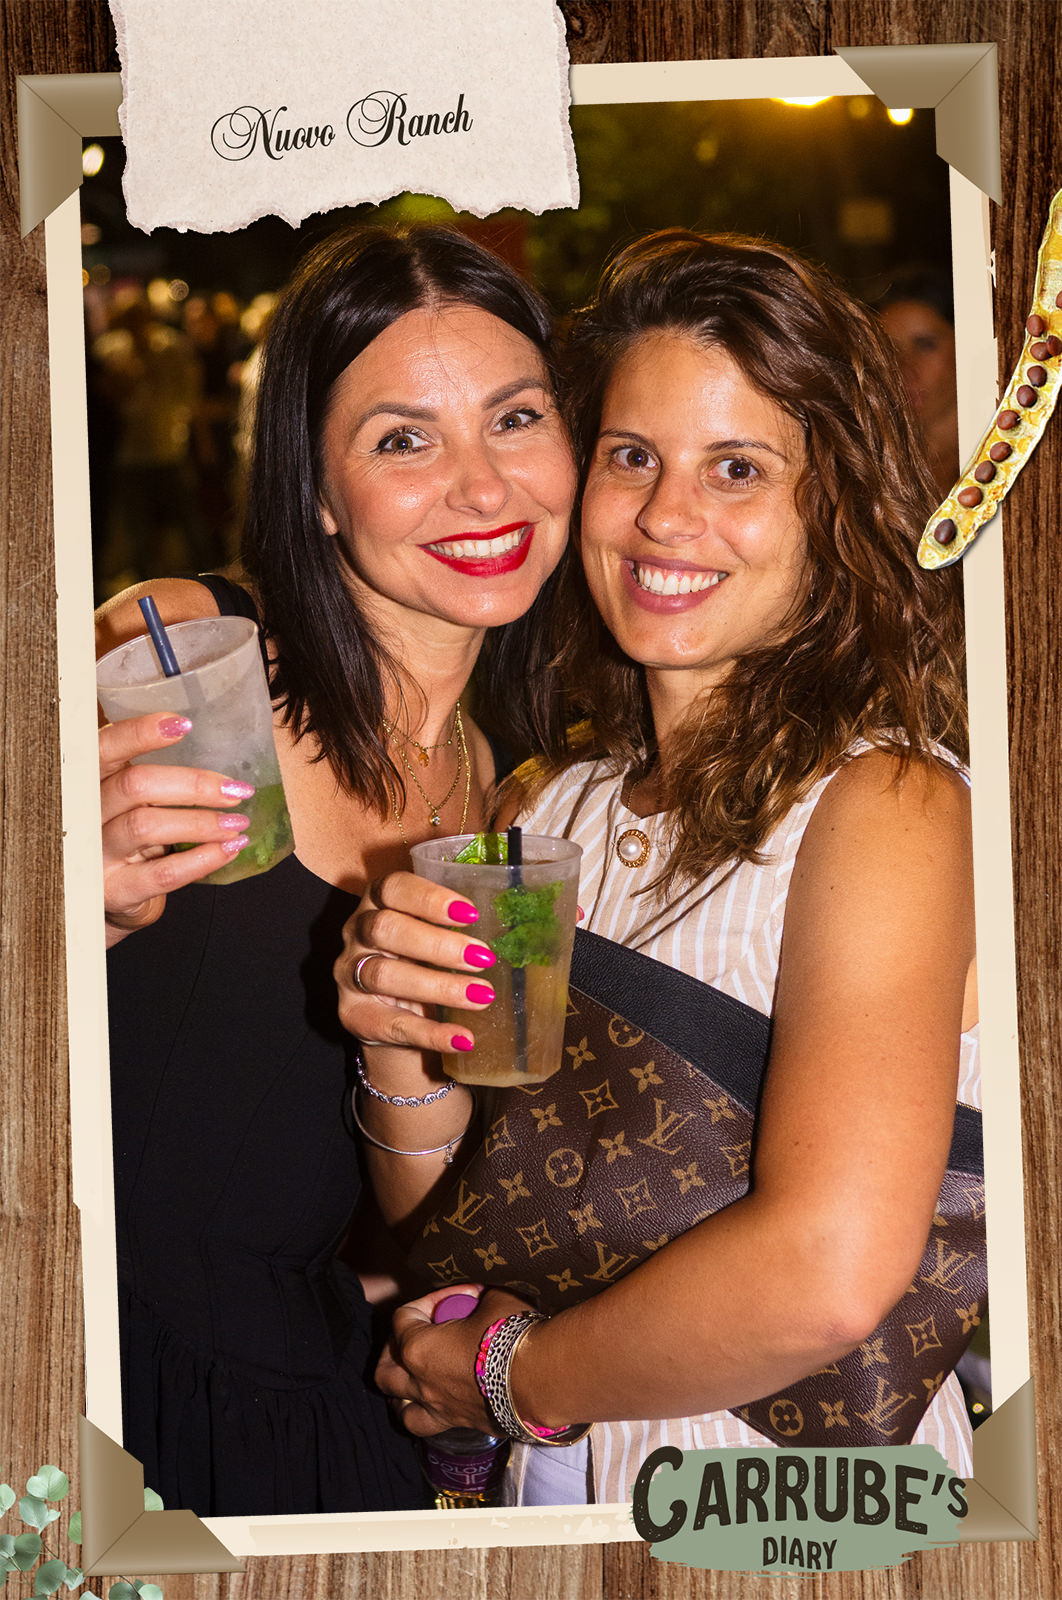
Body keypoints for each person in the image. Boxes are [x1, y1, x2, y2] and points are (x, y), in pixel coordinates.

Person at [336, 230, 980, 1506]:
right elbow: (460, 1214)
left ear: (836, 504)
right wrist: (397, 1044)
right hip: (560, 1487)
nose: (666, 515)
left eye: (738, 468)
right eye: (632, 456)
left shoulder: (883, 804)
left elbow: (829, 1268)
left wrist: (512, 1375)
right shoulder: (549, 806)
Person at [96, 223, 576, 1516]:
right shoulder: (187, 657)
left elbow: (421, 1195)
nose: (482, 487)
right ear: (314, 490)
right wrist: (63, 894)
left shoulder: (512, 793)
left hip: (305, 1399)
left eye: (515, 418)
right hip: (96, 1366)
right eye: (403, 440)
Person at [876, 268, 960, 499]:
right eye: (889, 349)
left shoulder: (1005, 454)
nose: (903, 366)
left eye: (925, 345)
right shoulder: (870, 472)